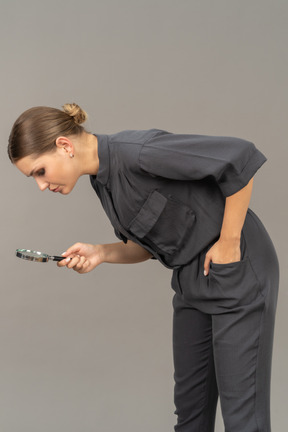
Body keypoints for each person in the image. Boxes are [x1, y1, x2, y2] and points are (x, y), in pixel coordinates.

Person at [8, 103, 279, 432]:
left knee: (243, 420)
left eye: (39, 171)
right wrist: (100, 253)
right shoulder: (102, 182)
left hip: (237, 272)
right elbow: (154, 244)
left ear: (64, 146)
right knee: (190, 416)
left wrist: (229, 241)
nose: (40, 185)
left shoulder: (138, 152)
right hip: (190, 281)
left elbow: (239, 158)